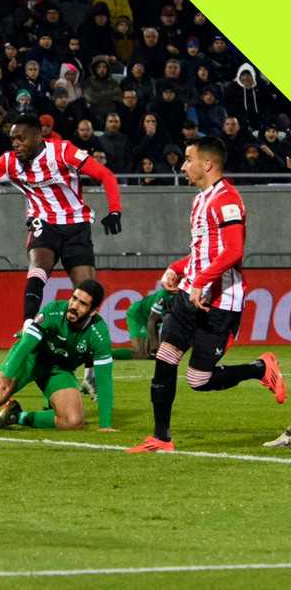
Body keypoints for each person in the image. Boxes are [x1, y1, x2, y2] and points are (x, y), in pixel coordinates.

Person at [128, 137, 285, 454]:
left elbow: (234, 251)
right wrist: (178, 268)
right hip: (190, 296)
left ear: (207, 164)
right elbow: (202, 254)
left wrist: (201, 279)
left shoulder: (227, 200)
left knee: (198, 380)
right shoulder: (200, 200)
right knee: (165, 358)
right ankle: (161, 438)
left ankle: (259, 368)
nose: (183, 165)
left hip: (220, 303)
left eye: (188, 159)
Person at [0, 114, 123, 326]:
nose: (16, 144)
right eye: (13, 140)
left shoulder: (63, 151)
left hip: (76, 225)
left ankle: (89, 345)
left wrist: (114, 211)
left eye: (21, 138)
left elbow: (105, 175)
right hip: (43, 223)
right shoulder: (9, 162)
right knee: (38, 267)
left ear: (38, 137)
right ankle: (28, 326)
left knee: (86, 291)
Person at [0, 279, 115, 432]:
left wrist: (105, 424)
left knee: (73, 421)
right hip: (32, 356)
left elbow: (104, 380)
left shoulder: (98, 335)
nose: (74, 306)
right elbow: (27, 344)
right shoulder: (53, 311)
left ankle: (16, 416)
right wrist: (6, 376)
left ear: (93, 312)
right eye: (74, 298)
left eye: (82, 304)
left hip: (58, 370)